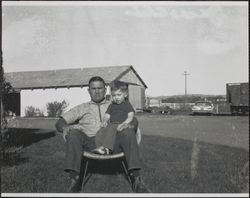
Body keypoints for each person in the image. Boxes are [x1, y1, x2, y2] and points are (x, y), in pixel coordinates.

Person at [55, 76, 150, 193]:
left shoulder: (116, 102)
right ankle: (75, 180)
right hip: (90, 143)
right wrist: (64, 127)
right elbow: (60, 122)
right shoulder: (82, 107)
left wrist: (131, 125)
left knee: (128, 132)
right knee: (73, 133)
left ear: (105, 90)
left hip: (113, 142)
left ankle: (137, 180)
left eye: (100, 88)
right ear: (88, 91)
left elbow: (133, 119)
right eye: (93, 88)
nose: (96, 91)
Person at [92, 80, 136, 155]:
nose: (116, 98)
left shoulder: (127, 105)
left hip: (121, 125)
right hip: (112, 125)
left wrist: (124, 123)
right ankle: (100, 148)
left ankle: (107, 148)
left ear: (125, 95)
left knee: (112, 128)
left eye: (119, 95)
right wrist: (104, 121)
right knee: (100, 131)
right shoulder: (111, 106)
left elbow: (130, 116)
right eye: (114, 95)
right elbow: (107, 115)